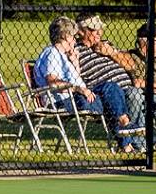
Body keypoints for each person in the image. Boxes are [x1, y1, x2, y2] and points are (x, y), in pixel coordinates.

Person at [33, 16, 144, 153]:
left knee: (112, 95)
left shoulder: (63, 55)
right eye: (73, 36)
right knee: (110, 91)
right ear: (65, 36)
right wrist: (80, 89)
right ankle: (125, 125)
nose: (75, 39)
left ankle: (126, 143)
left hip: (75, 98)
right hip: (65, 100)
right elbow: (53, 82)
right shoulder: (52, 53)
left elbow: (74, 77)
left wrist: (74, 62)